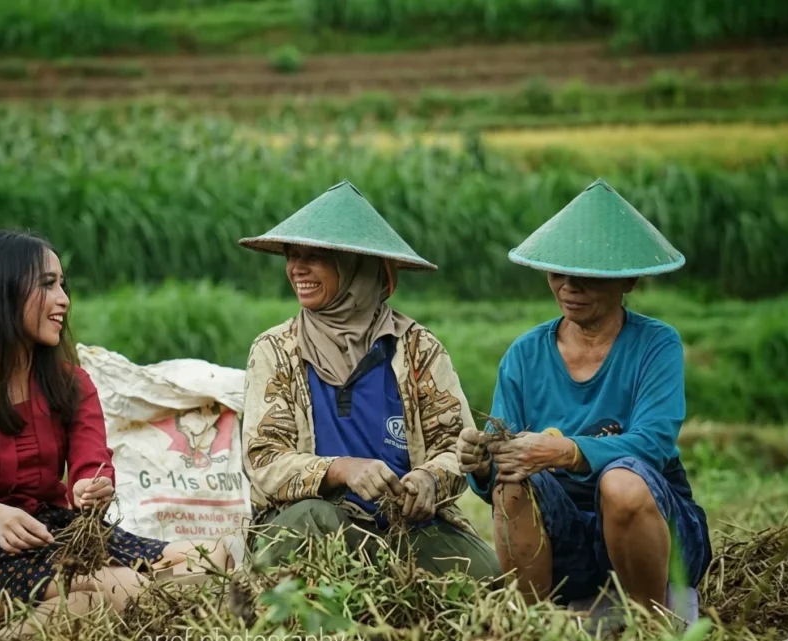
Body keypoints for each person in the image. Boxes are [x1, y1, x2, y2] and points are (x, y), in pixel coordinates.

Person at [0, 230, 232, 631]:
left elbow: (92, 460)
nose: (63, 299)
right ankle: (91, 614)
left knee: (213, 554)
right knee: (112, 588)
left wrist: (89, 487)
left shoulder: (72, 383)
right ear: (2, 292)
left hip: (64, 534)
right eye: (47, 285)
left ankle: (101, 609)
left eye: (63, 284)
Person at [458, 178, 711, 615]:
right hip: (566, 540)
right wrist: (483, 464)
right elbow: (503, 465)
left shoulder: (655, 345)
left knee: (622, 483)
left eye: (586, 276)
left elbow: (653, 444)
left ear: (627, 280)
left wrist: (568, 452)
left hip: (655, 531)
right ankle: (534, 626)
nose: (569, 287)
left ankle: (651, 622)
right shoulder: (524, 355)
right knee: (511, 484)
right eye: (559, 273)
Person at [237, 180, 500, 580]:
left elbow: (453, 446)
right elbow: (265, 460)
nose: (297, 269)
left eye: (316, 257)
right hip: (310, 524)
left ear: (358, 268)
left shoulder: (418, 349)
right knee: (313, 518)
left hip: (402, 528)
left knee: (487, 580)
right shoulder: (275, 350)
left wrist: (429, 480)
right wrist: (341, 470)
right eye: (293, 255)